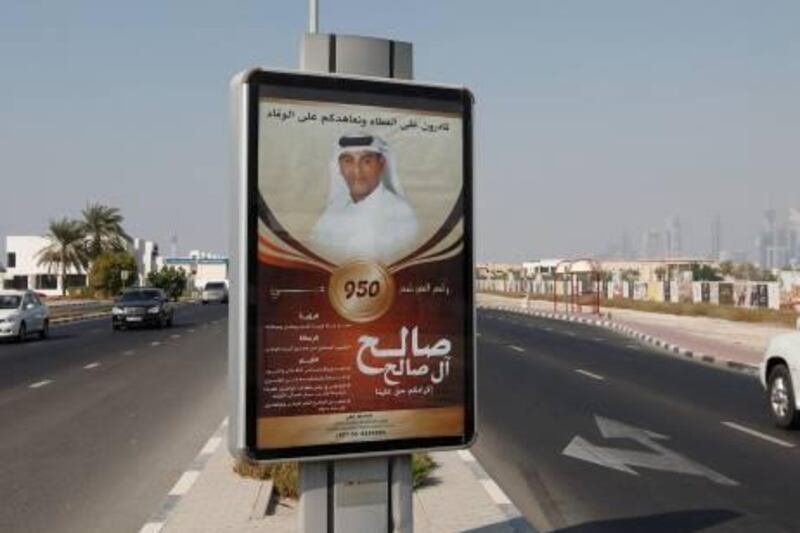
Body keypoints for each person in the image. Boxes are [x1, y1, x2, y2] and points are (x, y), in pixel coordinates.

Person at [309, 133, 419, 264]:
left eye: (366, 161)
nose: (357, 171)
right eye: (348, 161)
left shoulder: (402, 214)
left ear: (381, 164)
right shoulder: (331, 213)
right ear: (339, 166)